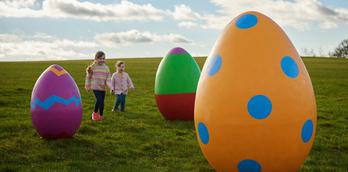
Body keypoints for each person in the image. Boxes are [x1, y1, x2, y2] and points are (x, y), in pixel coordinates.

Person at [85, 51, 111, 121]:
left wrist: (111, 87)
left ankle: (99, 115)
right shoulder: (93, 67)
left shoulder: (106, 68)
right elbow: (88, 77)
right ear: (96, 59)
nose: (102, 60)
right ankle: (96, 114)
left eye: (103, 58)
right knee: (100, 101)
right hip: (95, 87)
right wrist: (87, 86)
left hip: (103, 88)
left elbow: (108, 79)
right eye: (100, 58)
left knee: (100, 101)